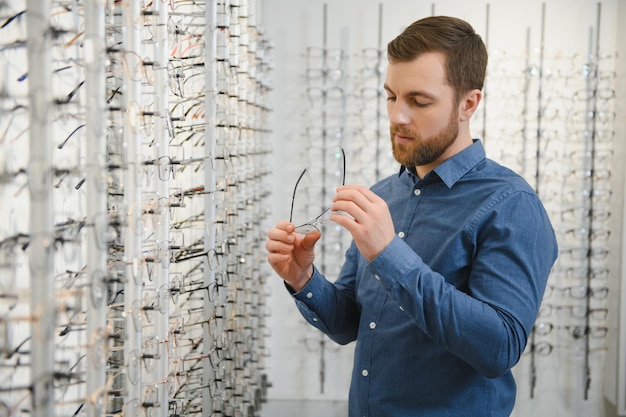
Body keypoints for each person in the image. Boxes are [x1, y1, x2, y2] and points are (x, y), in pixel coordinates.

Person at [265, 15, 558, 417]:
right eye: (391, 96)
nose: (397, 116)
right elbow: (351, 322)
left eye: (418, 101)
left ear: (468, 104)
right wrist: (303, 279)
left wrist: (389, 253)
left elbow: (499, 348)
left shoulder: (511, 205)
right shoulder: (385, 195)